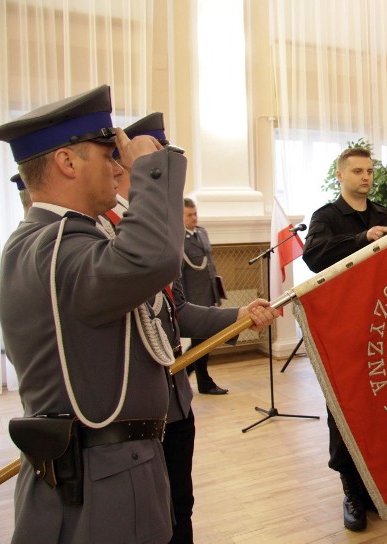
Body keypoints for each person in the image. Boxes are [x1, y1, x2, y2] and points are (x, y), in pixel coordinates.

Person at [0, 85, 183, 543]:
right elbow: (153, 258)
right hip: (105, 478)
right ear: (68, 162)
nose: (118, 167)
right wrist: (149, 173)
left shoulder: (43, 242)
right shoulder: (57, 246)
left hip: (95, 467)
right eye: (108, 155)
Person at [101, 113, 279, 543]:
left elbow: (176, 311)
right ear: (126, 167)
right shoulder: (107, 233)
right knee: (150, 519)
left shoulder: (160, 235)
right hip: (136, 416)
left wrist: (238, 315)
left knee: (181, 507)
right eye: (160, 160)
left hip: (176, 403)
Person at [302, 147, 387, 532]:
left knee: (382, 406)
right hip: (343, 328)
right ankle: (352, 493)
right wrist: (363, 238)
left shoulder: (385, 214)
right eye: (358, 171)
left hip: (382, 325)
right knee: (345, 409)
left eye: (370, 171)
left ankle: (379, 490)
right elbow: (314, 256)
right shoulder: (325, 217)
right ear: (341, 176)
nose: (366, 177)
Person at [182, 197, 229, 395]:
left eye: (195, 214)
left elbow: (209, 264)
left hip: (209, 293)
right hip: (192, 298)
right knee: (201, 342)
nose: (194, 218)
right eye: (189, 215)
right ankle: (203, 382)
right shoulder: (176, 238)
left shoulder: (202, 233)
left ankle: (182, 373)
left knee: (203, 342)